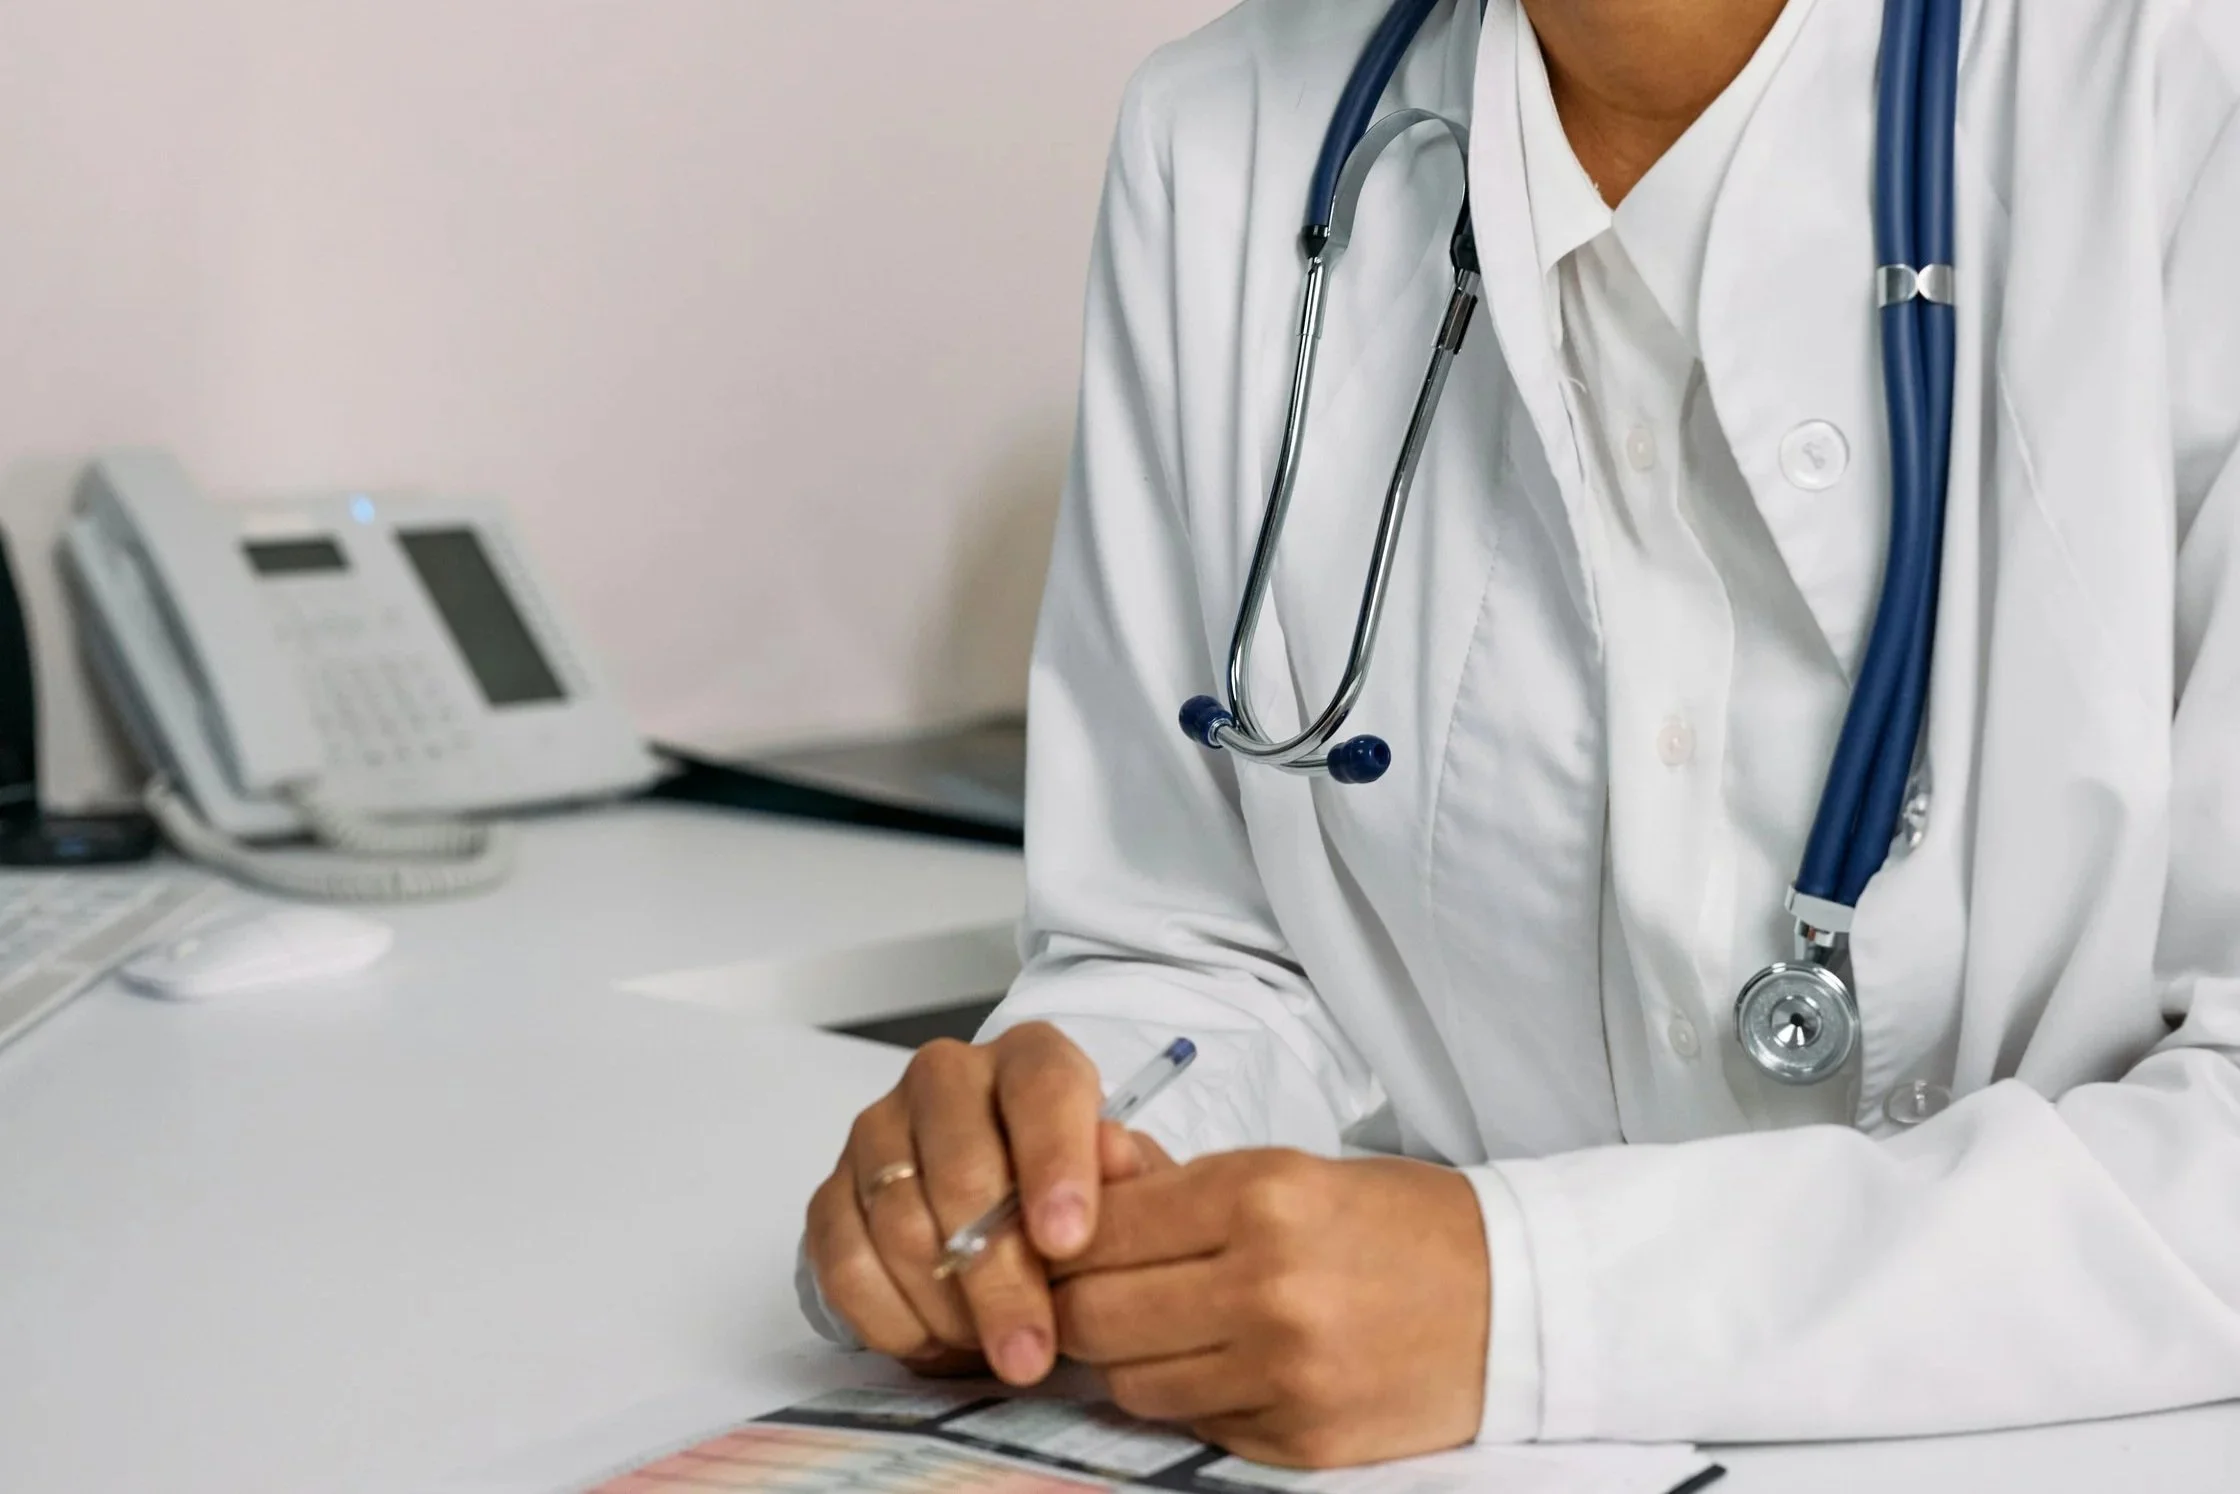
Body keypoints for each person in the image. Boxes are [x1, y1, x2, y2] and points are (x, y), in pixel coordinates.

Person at [800, 0, 2240, 1466]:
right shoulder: (1226, 139)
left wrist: (1534, 1304)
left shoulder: (2191, 90)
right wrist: (1055, 1158)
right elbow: (1203, 951)